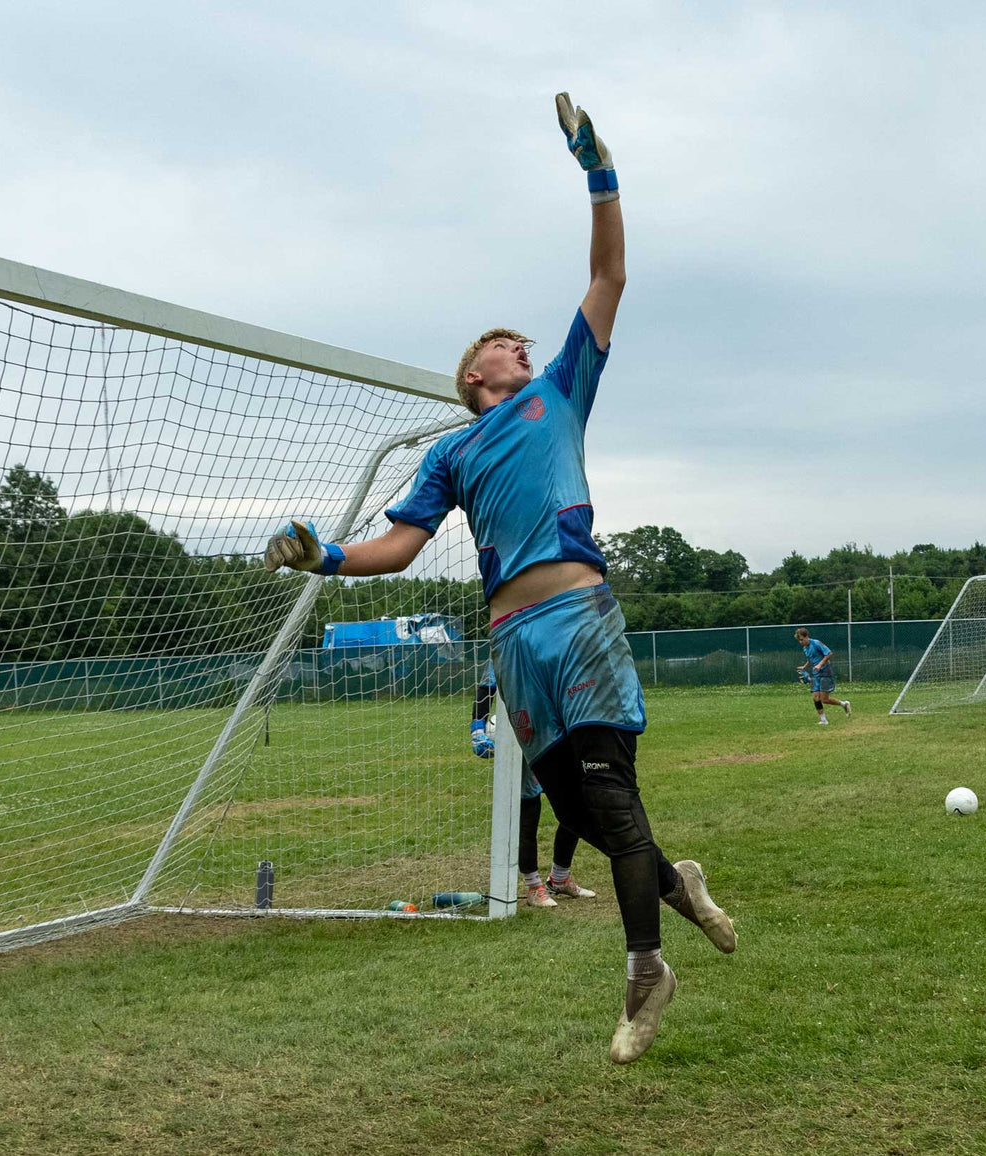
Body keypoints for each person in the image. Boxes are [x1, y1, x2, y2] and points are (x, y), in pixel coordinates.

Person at [266, 92, 736, 1065]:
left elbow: (609, 270)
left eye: (522, 341)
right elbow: (397, 543)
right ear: (472, 373)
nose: (519, 343)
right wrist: (327, 556)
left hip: (579, 619)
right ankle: (675, 884)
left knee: (608, 801)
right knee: (576, 811)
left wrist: (597, 168)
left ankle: (646, 964)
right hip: (514, 648)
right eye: (502, 343)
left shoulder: (560, 389)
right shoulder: (453, 450)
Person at [471, 661, 595, 907]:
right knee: (528, 803)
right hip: (521, 728)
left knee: (576, 800)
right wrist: (477, 728)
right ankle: (533, 885)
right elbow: (487, 686)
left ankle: (559, 878)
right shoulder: (509, 633)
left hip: (556, 725)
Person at [794, 627, 851, 725]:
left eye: (802, 639)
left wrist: (820, 664)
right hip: (816, 674)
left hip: (825, 672)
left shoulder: (816, 643)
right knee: (816, 697)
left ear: (807, 636)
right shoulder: (805, 648)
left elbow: (829, 653)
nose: (800, 642)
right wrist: (804, 667)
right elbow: (811, 659)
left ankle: (844, 704)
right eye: (799, 640)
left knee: (824, 699)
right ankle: (824, 720)